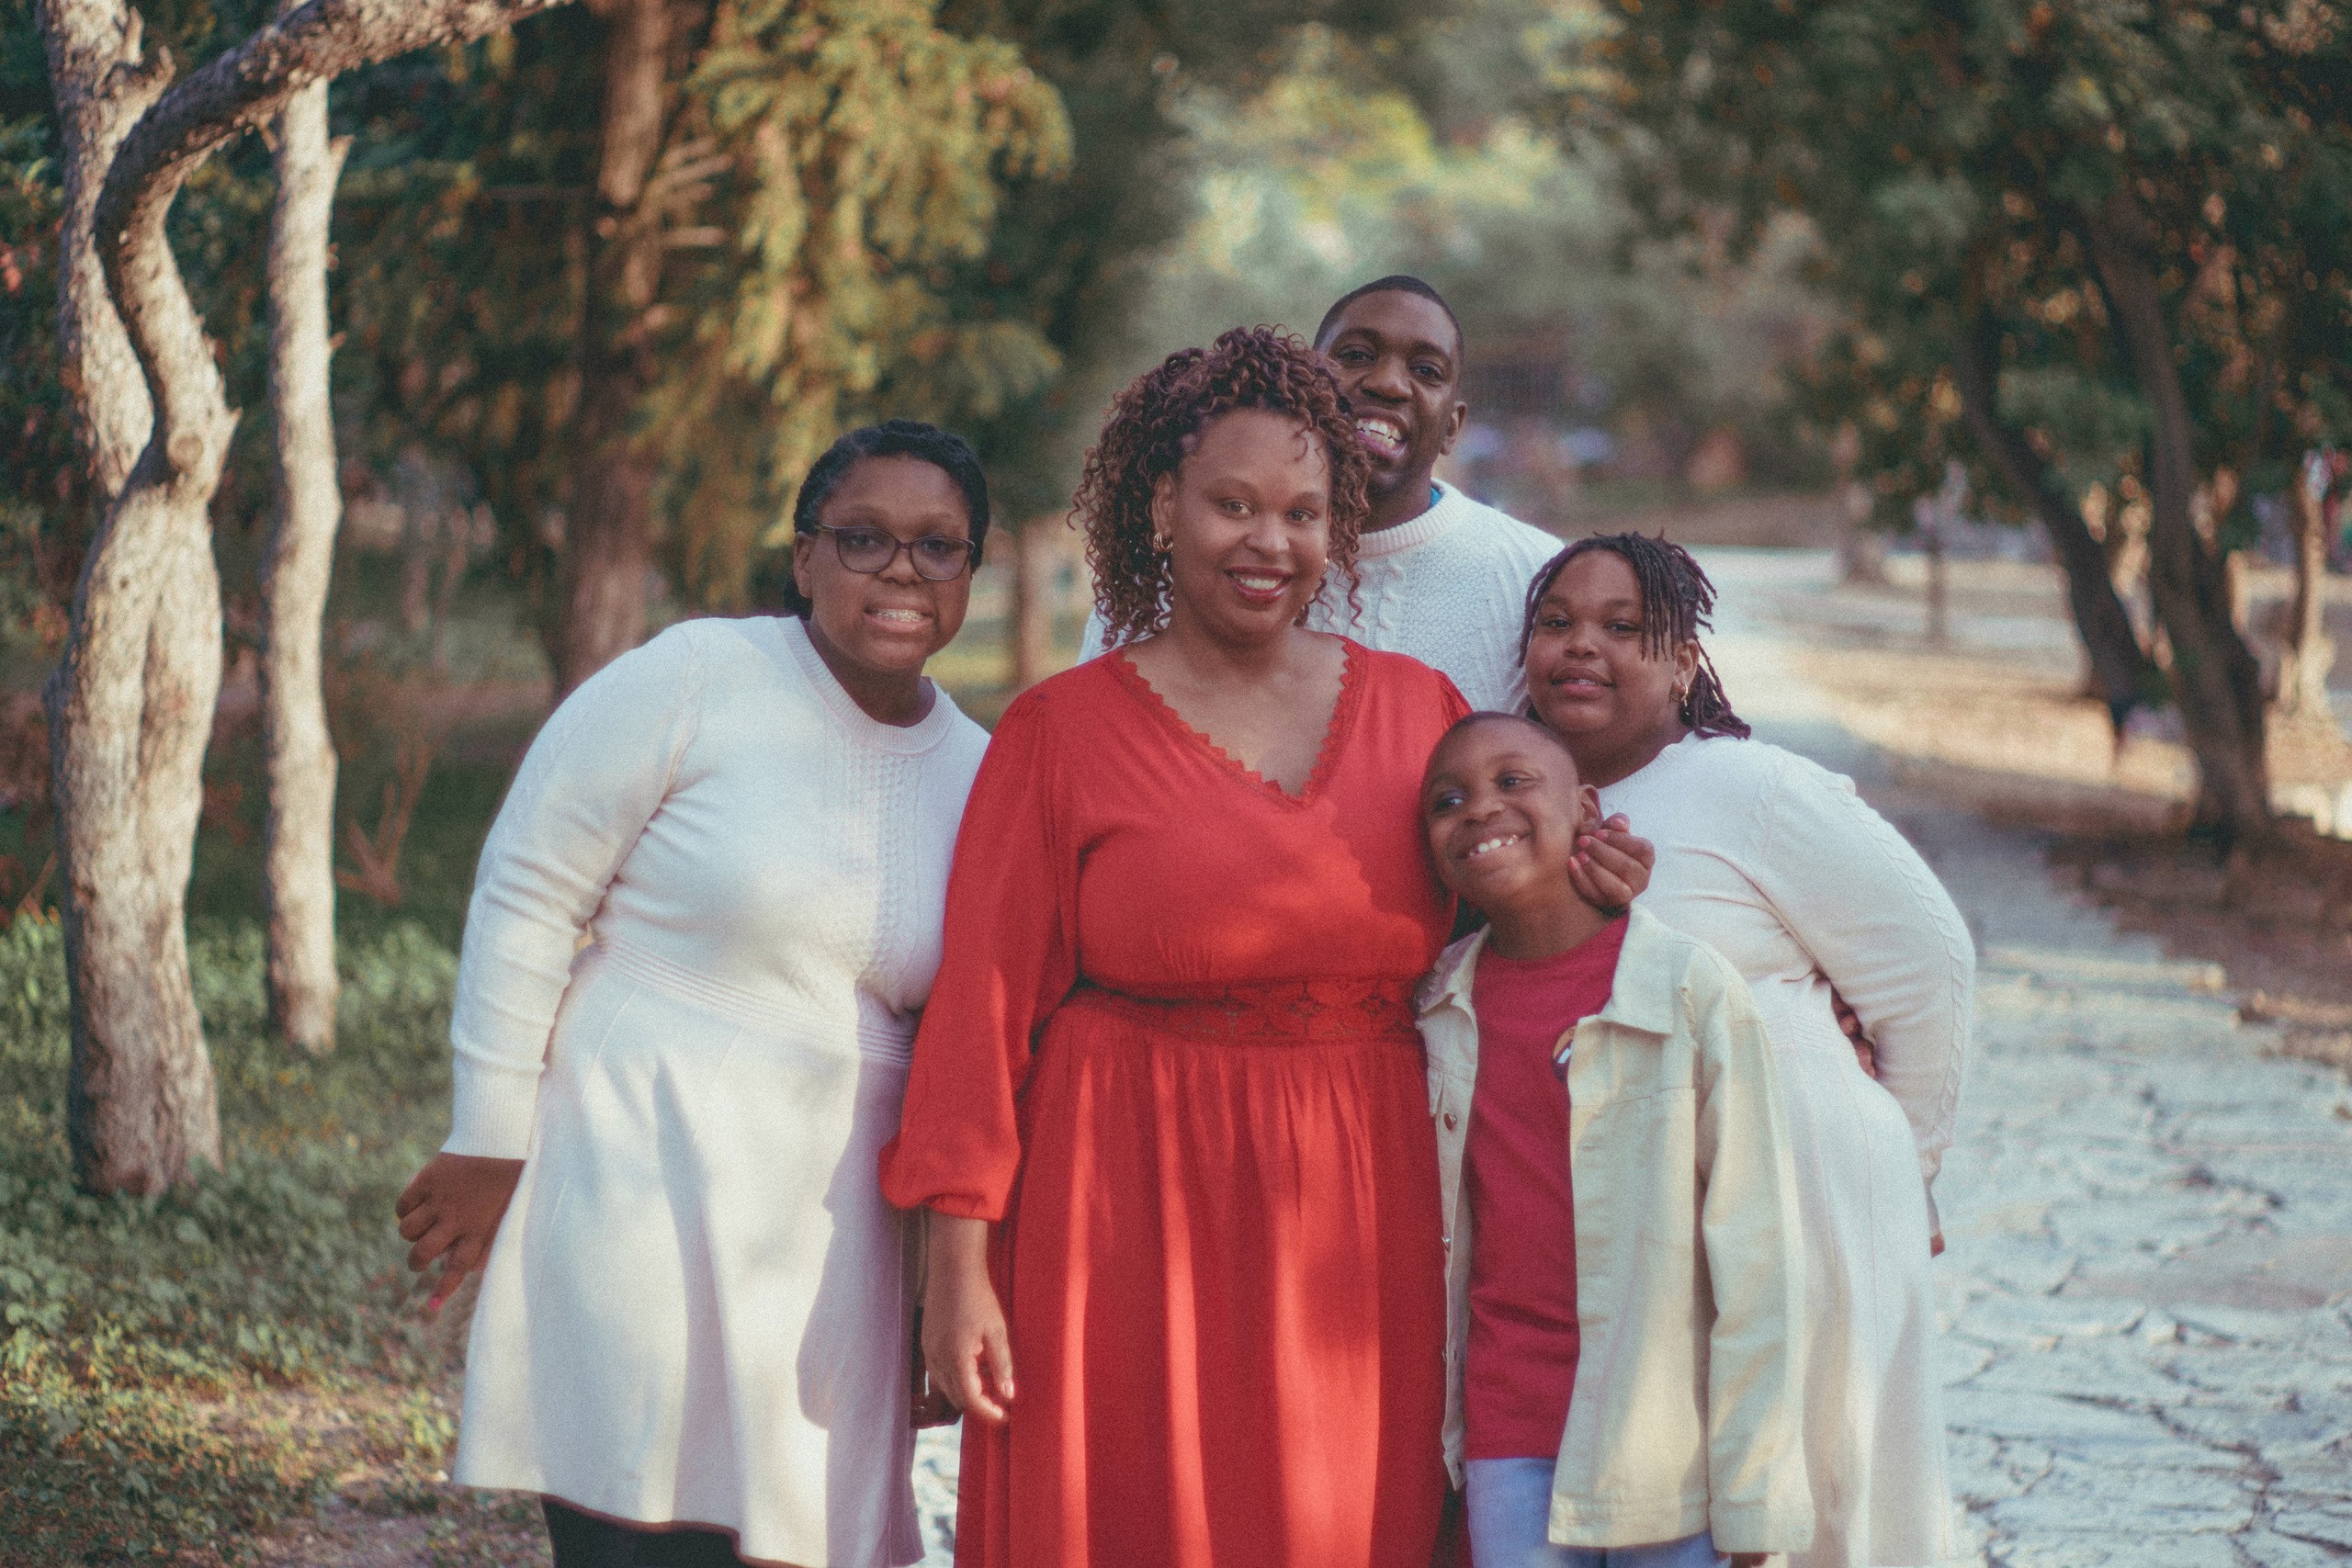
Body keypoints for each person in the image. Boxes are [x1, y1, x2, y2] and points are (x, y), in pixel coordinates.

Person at [882, 327, 1507, 1568]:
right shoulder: (1060, 732)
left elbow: (1511, 940)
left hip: (1361, 1218)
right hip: (1118, 1211)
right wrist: (955, 1266)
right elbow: (981, 1015)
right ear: (1164, 506)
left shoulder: (1421, 714)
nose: (1270, 542)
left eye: (1302, 513)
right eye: (1234, 504)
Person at [393, 421, 997, 1568]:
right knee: (637, 1529)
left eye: (938, 547)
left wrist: (934, 1281)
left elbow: (958, 1042)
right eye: (863, 538)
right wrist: (489, 1137)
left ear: (972, 571)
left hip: (835, 1236)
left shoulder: (979, 771)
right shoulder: (697, 676)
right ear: (804, 555)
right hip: (639, 1173)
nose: (902, 571)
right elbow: (528, 888)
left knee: (801, 1539)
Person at [1521, 534, 1973, 1568]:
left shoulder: (1752, 788)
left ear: (1684, 662)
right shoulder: (1518, 799)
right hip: (1659, 1215)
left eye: (1622, 627)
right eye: (1556, 623)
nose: (1582, 645)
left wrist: (1907, 1166)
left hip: (1810, 1183)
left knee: (1828, 1498)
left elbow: (1930, 966)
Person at [1415, 712, 1814, 1568]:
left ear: (1587, 810)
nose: (1478, 808)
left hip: (1663, 1437)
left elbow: (1758, 1258)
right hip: (1508, 1427)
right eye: (1447, 800)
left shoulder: (1688, 991)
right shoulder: (1440, 1008)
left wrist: (1754, 1499)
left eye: (1512, 781)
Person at [1079, 276, 1567, 714]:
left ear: (1453, 427)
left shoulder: (1534, 575)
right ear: (1306, 382)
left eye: (1426, 370)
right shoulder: (1176, 573)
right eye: (1356, 356)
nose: (1388, 383)